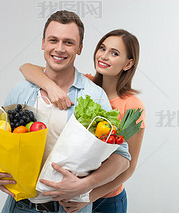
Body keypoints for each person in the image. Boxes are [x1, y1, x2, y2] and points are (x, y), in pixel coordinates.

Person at [0, 11, 131, 213]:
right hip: (20, 206)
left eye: (68, 42)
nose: (59, 49)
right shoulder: (20, 91)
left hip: (67, 209)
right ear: (43, 42)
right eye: (53, 40)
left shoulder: (94, 96)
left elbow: (121, 157)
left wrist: (87, 185)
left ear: (80, 48)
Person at [19, 29, 146, 212]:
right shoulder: (85, 87)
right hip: (69, 194)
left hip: (105, 199)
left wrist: (89, 195)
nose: (104, 56)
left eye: (114, 53)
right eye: (102, 48)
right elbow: (26, 68)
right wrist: (51, 87)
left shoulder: (132, 106)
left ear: (128, 64)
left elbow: (129, 166)